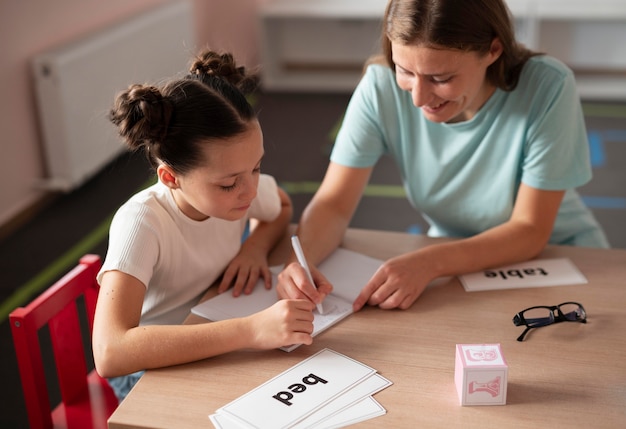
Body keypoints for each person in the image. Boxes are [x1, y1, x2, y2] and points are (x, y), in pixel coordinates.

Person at [276, 0, 609, 312]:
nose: (419, 97)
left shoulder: (548, 85)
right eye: (404, 70)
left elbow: (530, 229)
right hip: (454, 256)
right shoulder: (380, 86)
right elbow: (334, 203)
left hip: (560, 254)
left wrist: (430, 262)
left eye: (441, 78)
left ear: (494, 49)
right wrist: (301, 263)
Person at [92, 49, 315, 401]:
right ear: (170, 178)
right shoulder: (142, 223)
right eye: (229, 183)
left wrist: (254, 248)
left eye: (256, 168)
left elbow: (281, 206)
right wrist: (251, 331)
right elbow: (110, 352)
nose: (251, 190)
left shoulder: (235, 186)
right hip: (151, 367)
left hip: (214, 324)